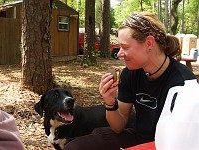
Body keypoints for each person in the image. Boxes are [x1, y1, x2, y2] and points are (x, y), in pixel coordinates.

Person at [63, 11, 197, 150]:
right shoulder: (130, 73)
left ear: (149, 43)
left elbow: (183, 141)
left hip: (168, 144)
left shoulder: (184, 83)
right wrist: (109, 102)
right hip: (137, 137)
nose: (119, 53)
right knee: (75, 147)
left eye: (125, 47)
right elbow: (118, 126)